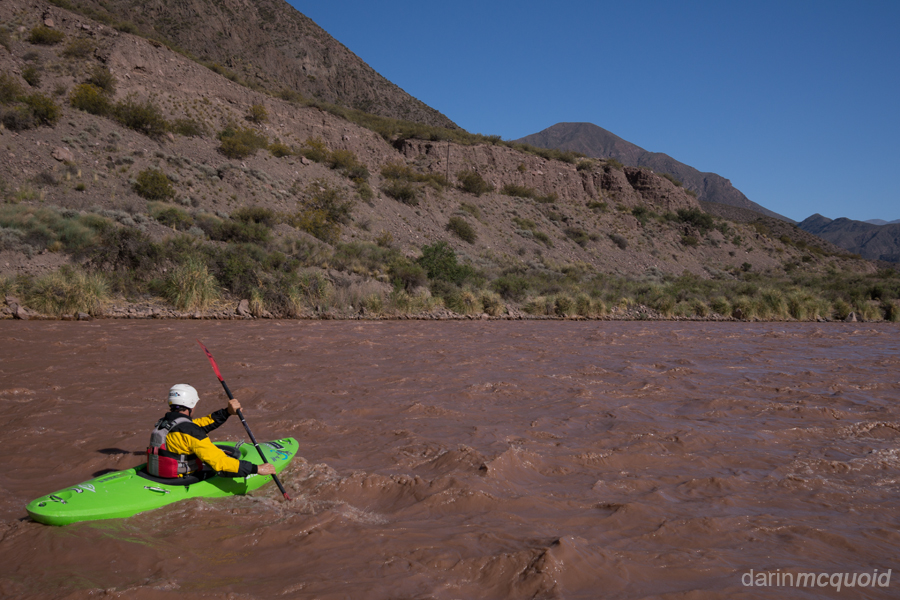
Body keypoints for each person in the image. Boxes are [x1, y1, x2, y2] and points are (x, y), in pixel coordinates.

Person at [147, 383, 276, 479]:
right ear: (191, 404)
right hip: (180, 478)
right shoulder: (192, 432)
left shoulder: (164, 423)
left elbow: (202, 424)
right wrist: (257, 468)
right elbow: (220, 463)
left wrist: (227, 412)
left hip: (157, 473)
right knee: (219, 464)